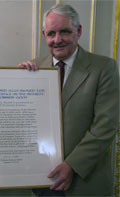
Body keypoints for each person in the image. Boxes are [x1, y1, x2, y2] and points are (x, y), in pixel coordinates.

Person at [18, 4, 119, 196]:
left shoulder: (104, 68)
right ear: (44, 34)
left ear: (78, 31)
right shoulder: (34, 68)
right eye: (51, 33)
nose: (57, 40)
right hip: (43, 182)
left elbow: (105, 127)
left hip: (85, 182)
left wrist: (72, 165)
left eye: (64, 32)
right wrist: (16, 80)